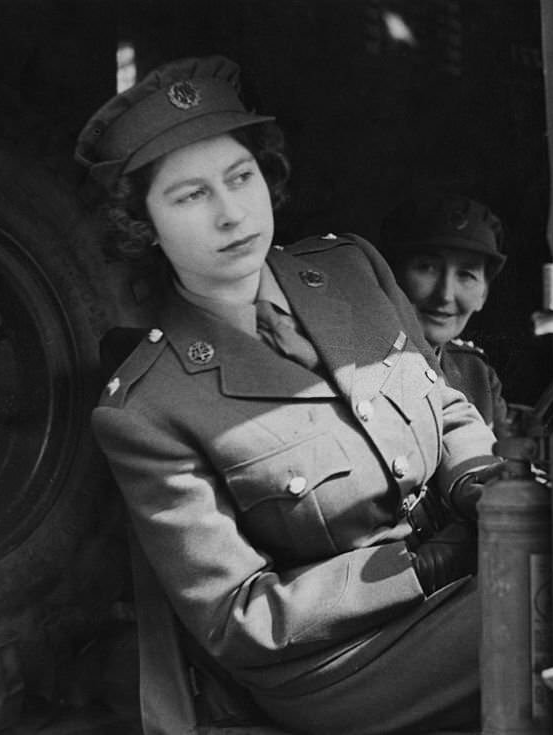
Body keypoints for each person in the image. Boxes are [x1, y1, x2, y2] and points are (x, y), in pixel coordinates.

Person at [75, 56, 499, 735]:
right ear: (143, 224)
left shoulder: (352, 269)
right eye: (190, 196)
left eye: (240, 178)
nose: (229, 213)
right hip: (340, 664)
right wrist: (419, 566)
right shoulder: (146, 408)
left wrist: (480, 482)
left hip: (466, 584)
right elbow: (238, 614)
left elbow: (444, 406)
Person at [379, 193, 508, 431]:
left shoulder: (478, 377)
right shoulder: (356, 366)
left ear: (483, 296)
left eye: (466, 275)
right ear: (392, 276)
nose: (445, 295)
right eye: (427, 268)